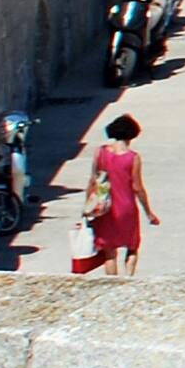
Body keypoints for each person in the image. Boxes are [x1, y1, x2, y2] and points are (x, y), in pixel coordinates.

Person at [74, 115, 157, 276]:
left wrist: (87, 206)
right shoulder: (132, 158)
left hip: (105, 207)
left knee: (110, 252)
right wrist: (148, 212)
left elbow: (93, 181)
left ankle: (112, 283)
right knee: (132, 246)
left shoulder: (100, 153)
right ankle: (129, 278)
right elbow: (137, 187)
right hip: (126, 207)